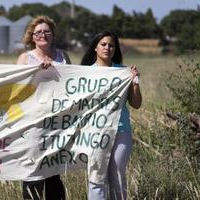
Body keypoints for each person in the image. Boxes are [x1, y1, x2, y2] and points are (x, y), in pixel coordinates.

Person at [81, 31, 142, 200]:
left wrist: (135, 82)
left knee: (117, 174)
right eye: (103, 44)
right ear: (95, 47)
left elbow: (136, 104)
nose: (107, 47)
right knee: (97, 176)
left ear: (115, 49)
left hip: (121, 131)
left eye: (111, 45)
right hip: (95, 132)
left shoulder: (124, 72)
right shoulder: (85, 73)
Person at [17, 15, 71, 200]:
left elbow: (73, 84)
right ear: (32, 37)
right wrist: (37, 73)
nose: (43, 35)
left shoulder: (63, 57)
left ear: (53, 35)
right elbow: (17, 90)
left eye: (47, 31)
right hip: (33, 125)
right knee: (32, 173)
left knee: (53, 174)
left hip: (57, 125)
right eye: (38, 32)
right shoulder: (25, 58)